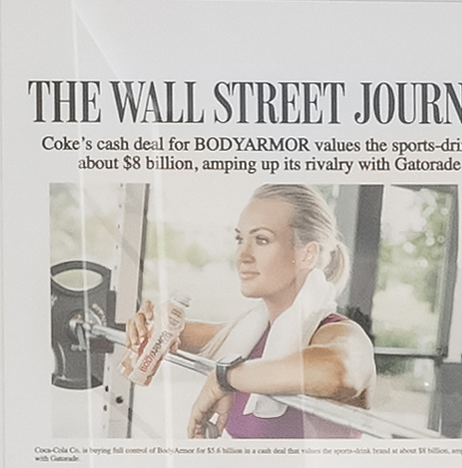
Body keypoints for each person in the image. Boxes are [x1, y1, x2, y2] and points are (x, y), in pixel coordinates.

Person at [114, 182, 372, 434]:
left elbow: (338, 372)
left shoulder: (339, 333)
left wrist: (225, 377)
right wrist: (150, 324)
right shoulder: (248, 334)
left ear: (306, 255)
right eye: (240, 239)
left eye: (261, 239)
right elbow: (169, 332)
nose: (242, 255)